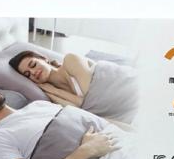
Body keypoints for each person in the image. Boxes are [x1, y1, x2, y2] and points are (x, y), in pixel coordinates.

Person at [8, 50, 138, 125]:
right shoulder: (50, 95)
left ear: (44, 58)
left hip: (127, 86)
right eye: (28, 74)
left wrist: (54, 91)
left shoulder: (70, 60)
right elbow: (80, 110)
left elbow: (90, 96)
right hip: (123, 112)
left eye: (33, 65)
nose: (33, 72)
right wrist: (51, 90)